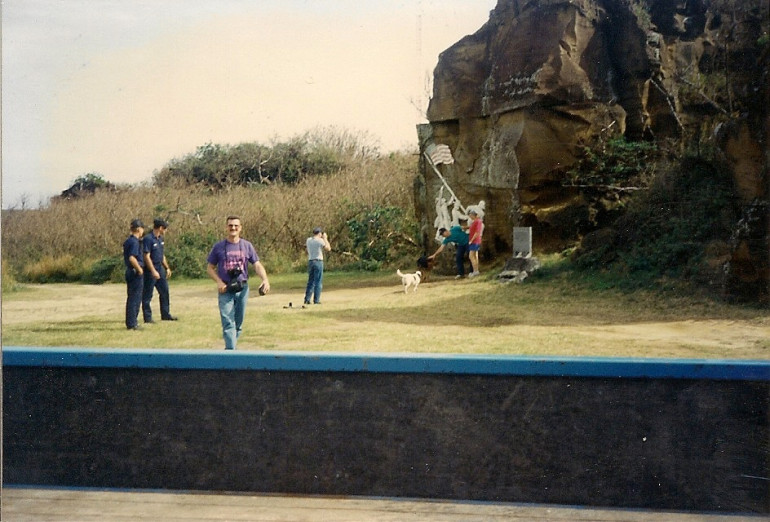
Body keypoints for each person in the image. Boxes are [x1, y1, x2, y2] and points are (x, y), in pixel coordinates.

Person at [206, 216, 270, 350]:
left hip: (242, 288)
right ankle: (231, 352)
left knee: (238, 324)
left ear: (240, 228)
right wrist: (219, 282)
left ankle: (231, 349)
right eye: (230, 225)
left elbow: (257, 264)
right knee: (228, 321)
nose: (233, 228)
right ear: (226, 227)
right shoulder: (218, 247)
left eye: (236, 225)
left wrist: (265, 280)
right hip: (225, 289)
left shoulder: (247, 246)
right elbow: (209, 268)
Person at [142, 218, 177, 323]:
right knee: (148, 294)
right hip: (150, 270)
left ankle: (165, 314)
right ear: (160, 228)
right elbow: (146, 256)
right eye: (165, 228)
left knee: (164, 291)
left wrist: (167, 267)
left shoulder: (160, 239)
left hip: (160, 268)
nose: (166, 231)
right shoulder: (148, 239)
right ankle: (147, 317)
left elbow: (162, 255)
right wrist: (153, 271)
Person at [123, 218, 145, 330]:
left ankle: (132, 322)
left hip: (130, 271)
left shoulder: (128, 241)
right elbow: (132, 257)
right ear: (138, 229)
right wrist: (139, 269)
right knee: (135, 298)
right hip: (135, 272)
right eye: (142, 228)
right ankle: (132, 323)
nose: (143, 231)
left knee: (132, 297)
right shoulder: (134, 242)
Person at [304, 227, 331, 305]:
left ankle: (307, 299)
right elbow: (328, 248)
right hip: (318, 261)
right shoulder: (320, 241)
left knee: (310, 281)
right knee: (318, 281)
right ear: (319, 233)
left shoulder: (308, 240)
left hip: (311, 261)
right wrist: (325, 238)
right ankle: (316, 300)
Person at [467, 209, 484, 277]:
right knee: (475, 256)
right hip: (474, 240)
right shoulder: (475, 221)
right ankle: (476, 270)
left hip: (475, 241)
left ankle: (475, 270)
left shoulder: (478, 221)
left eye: (470, 215)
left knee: (471, 256)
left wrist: (471, 240)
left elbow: (477, 232)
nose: (470, 217)